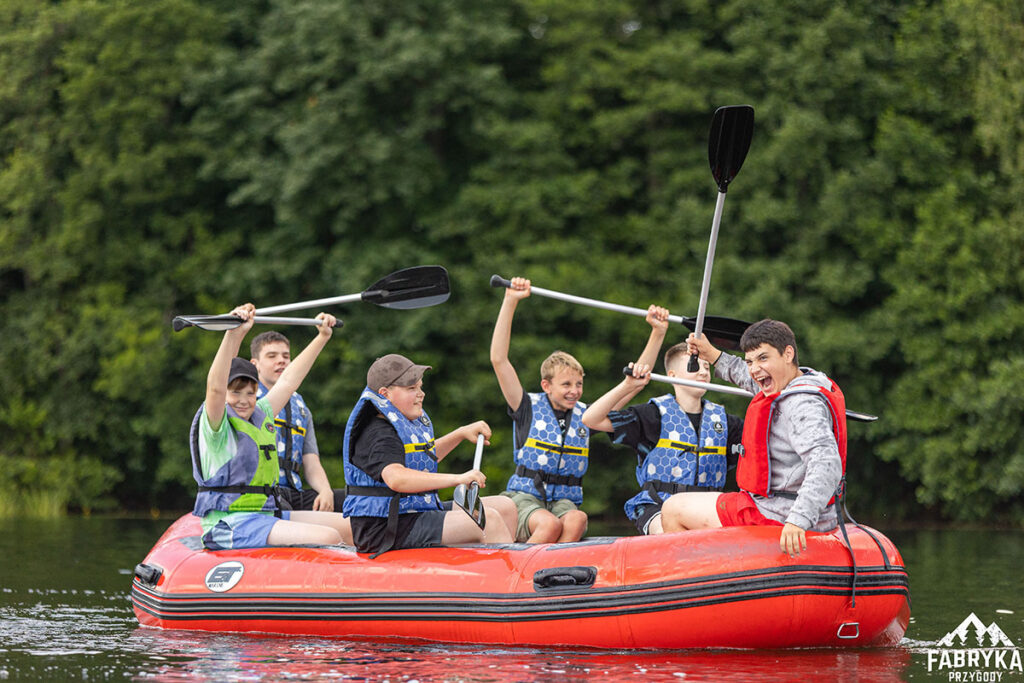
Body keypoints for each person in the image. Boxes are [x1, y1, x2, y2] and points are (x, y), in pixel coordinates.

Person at [661, 319, 847, 557]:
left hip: (778, 513)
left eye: (763, 358)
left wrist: (798, 520)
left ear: (788, 353)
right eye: (750, 361)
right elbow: (748, 378)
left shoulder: (801, 405)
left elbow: (826, 464)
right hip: (801, 509)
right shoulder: (797, 382)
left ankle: (689, 585)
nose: (754, 368)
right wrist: (714, 355)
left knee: (673, 508)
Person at [190, 304, 353, 550]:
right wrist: (234, 333)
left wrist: (322, 337)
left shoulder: (262, 412)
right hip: (229, 523)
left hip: (264, 514)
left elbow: (289, 381)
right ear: (225, 394)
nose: (243, 400)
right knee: (328, 537)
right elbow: (215, 386)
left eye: (250, 393)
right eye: (235, 393)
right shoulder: (216, 422)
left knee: (350, 527)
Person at [582, 306, 744, 535]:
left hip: (706, 507)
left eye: (707, 367)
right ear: (672, 376)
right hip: (658, 506)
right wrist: (628, 385)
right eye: (695, 366)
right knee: (673, 531)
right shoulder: (652, 416)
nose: (703, 373)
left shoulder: (726, 422)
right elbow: (591, 419)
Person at [490, 277, 623, 543]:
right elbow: (499, 359)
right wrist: (510, 301)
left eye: (579, 384)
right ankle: (520, 578)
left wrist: (656, 335)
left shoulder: (586, 416)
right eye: (566, 384)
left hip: (563, 500)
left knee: (578, 519)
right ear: (546, 386)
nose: (574, 390)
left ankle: (554, 577)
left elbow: (626, 390)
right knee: (549, 525)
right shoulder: (526, 406)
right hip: (526, 499)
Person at [342, 354, 517, 556]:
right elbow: (397, 478)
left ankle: (495, 568)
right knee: (490, 521)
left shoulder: (402, 420)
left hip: (410, 514)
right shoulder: (377, 433)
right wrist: (458, 479)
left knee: (506, 507)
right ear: (385, 393)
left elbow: (423, 458)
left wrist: (460, 434)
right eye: (411, 389)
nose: (421, 394)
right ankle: (511, 581)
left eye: (420, 387)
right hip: (385, 528)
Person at [250, 331, 345, 512]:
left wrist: (325, 491)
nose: (281, 360)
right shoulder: (246, 403)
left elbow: (311, 462)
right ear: (255, 364)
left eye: (286, 356)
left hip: (294, 491)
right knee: (281, 506)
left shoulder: (301, 409)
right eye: (272, 356)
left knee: (348, 500)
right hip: (262, 493)